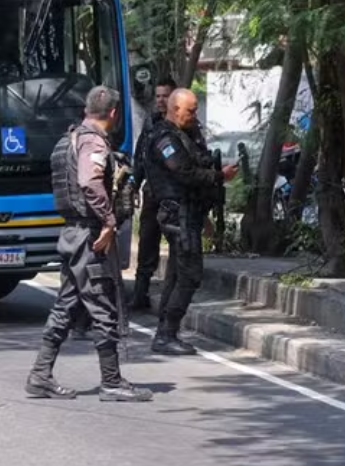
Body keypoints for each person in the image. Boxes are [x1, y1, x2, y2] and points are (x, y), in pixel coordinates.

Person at [25, 86, 152, 402]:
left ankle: (40, 375)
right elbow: (89, 181)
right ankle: (111, 382)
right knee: (103, 306)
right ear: (113, 113)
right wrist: (109, 222)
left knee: (66, 305)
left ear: (87, 110)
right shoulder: (93, 141)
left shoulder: (70, 138)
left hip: (72, 234)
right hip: (90, 237)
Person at [145, 88, 238, 355]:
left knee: (177, 273)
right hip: (178, 214)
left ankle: (166, 331)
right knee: (189, 274)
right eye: (191, 110)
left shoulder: (186, 136)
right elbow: (183, 172)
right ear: (175, 110)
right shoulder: (165, 138)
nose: (195, 116)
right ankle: (166, 334)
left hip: (188, 213)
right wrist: (218, 176)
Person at [130, 75, 177, 310]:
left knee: (179, 244)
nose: (160, 101)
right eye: (157, 96)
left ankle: (174, 297)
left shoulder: (184, 124)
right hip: (152, 193)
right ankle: (140, 293)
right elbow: (140, 158)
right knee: (147, 241)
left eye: (165, 96)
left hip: (175, 195)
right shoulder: (150, 124)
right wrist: (133, 184)